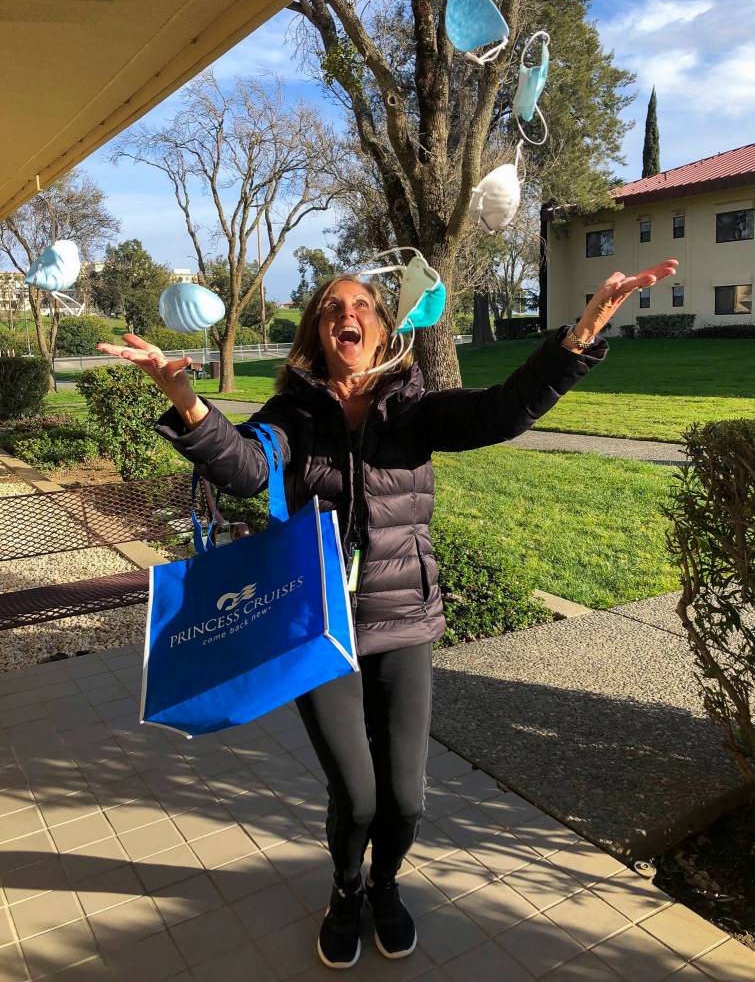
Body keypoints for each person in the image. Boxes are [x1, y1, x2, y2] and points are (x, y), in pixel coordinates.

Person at [98, 257, 677, 970]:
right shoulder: (292, 415)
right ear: (318, 333)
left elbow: (500, 411)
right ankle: (346, 890)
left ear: (381, 328)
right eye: (331, 307)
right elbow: (245, 467)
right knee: (357, 796)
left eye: (362, 306)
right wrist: (184, 397)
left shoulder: (411, 407)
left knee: (404, 799)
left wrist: (579, 335)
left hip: (401, 619)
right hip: (318, 627)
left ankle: (385, 884)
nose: (347, 314)